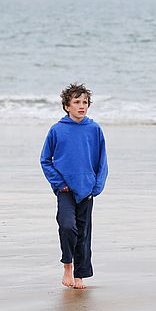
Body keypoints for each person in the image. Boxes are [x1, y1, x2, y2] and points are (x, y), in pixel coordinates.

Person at [40, 83, 108, 289]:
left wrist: (96, 186)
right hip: (65, 190)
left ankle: (80, 274)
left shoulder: (94, 129)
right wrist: (59, 183)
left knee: (84, 232)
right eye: (76, 102)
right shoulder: (57, 130)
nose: (81, 106)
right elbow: (45, 160)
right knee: (68, 227)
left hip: (87, 189)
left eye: (85, 102)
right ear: (67, 106)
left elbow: (101, 161)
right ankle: (67, 265)